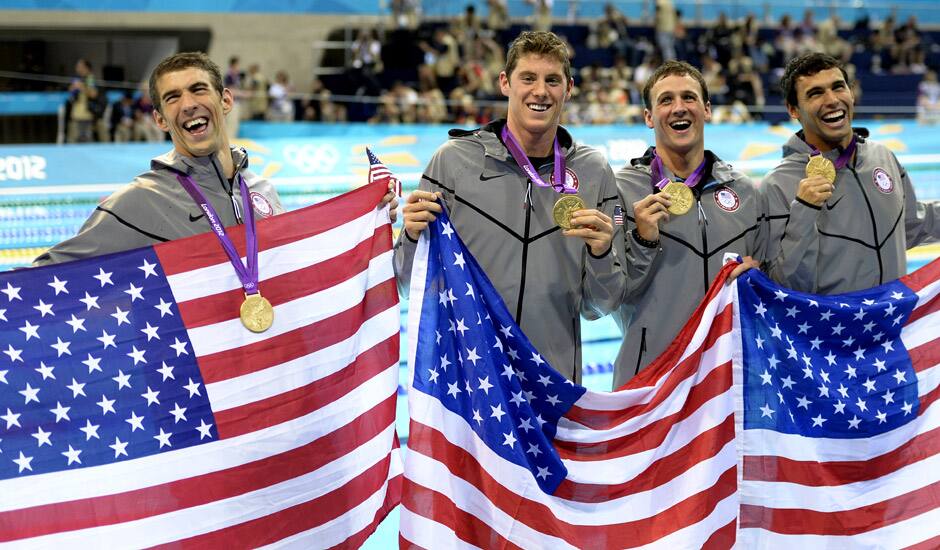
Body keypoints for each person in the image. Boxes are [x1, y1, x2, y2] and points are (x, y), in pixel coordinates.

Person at [394, 30, 624, 384]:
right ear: (505, 83)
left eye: (552, 80)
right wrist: (410, 236)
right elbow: (407, 283)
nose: (540, 91)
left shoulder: (593, 172)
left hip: (552, 385)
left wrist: (602, 254)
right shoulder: (453, 162)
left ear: (569, 88)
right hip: (471, 384)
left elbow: (600, 306)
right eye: (528, 78)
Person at [35, 52, 395, 266]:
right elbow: (45, 278)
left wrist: (390, 231)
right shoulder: (138, 202)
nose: (188, 103)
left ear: (225, 101)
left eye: (198, 89)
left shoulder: (261, 190)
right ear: (160, 119)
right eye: (172, 97)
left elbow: (300, 272)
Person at [612, 60, 764, 388]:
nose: (679, 108)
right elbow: (601, 300)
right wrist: (640, 239)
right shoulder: (619, 192)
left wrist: (760, 276)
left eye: (689, 98)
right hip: (650, 379)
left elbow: (771, 279)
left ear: (707, 109)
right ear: (649, 117)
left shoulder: (744, 191)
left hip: (726, 379)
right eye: (666, 100)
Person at [763, 52, 940, 294]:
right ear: (793, 109)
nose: (832, 100)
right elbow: (782, 286)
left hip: (890, 322)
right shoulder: (778, 185)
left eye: (838, 87)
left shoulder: (883, 157)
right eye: (816, 93)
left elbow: (910, 226)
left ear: (851, 93)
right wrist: (804, 209)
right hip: (831, 329)